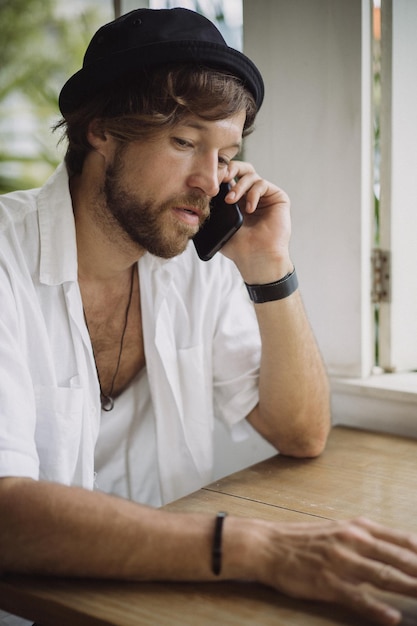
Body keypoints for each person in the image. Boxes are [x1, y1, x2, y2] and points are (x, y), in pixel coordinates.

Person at [0, 7, 416, 626]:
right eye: (185, 143)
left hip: (164, 600)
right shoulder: (6, 259)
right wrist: (256, 548)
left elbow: (299, 432)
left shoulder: (196, 258)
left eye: (226, 154)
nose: (209, 181)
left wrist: (268, 266)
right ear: (102, 130)